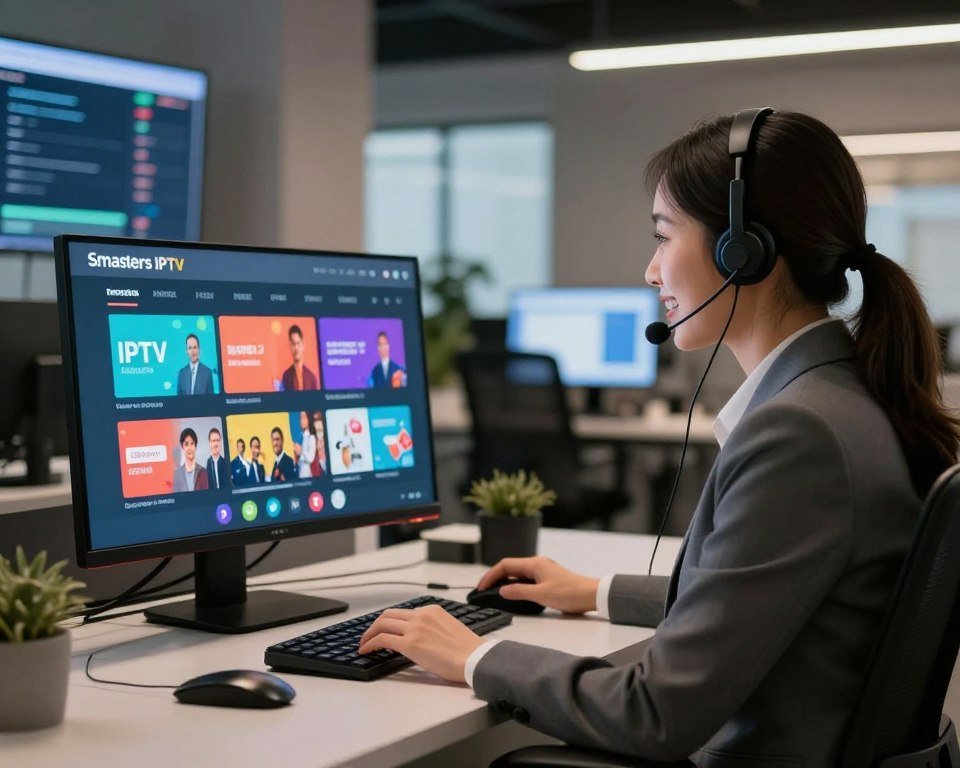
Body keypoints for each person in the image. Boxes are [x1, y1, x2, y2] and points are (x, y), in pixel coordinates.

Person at [357, 110, 960, 766]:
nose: (650, 271)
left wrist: (474, 654)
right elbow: (753, 597)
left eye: (665, 236)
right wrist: (595, 590)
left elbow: (656, 714)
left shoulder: (800, 433)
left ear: (742, 249)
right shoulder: (845, 396)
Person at [280, 324, 319, 391]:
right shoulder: (286, 376)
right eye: (293, 344)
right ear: (290, 346)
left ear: (303, 345)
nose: (296, 348)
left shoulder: (312, 378)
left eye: (298, 343)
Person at [172, 427, 209, 492]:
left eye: (192, 444)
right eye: (186, 444)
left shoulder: (203, 472)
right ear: (182, 447)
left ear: (195, 446)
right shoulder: (177, 474)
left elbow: (205, 497)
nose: (189, 448)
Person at [293, 411, 321, 478]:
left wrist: (301, 451)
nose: (301, 420)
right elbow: (301, 461)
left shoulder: (311, 437)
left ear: (309, 419)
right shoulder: (302, 437)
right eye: (300, 418)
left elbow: (311, 458)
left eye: (303, 417)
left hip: (309, 476)